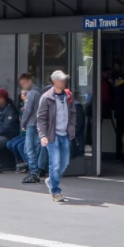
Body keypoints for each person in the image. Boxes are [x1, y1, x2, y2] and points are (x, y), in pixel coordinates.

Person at [36, 70, 77, 203]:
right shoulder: (46, 97)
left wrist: (71, 127)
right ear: (54, 81)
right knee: (54, 164)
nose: (63, 82)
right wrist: (42, 135)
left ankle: (50, 180)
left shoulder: (68, 96)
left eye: (64, 79)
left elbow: (73, 113)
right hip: (52, 136)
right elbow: (41, 118)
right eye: (61, 80)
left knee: (64, 163)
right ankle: (55, 191)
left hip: (65, 134)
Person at [17, 74, 48, 184]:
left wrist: (23, 123)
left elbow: (28, 110)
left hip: (32, 123)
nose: (23, 85)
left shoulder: (32, 93)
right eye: (21, 84)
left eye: (24, 83)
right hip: (39, 123)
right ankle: (38, 169)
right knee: (37, 147)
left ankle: (33, 171)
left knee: (30, 149)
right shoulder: (39, 92)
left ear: (30, 81)